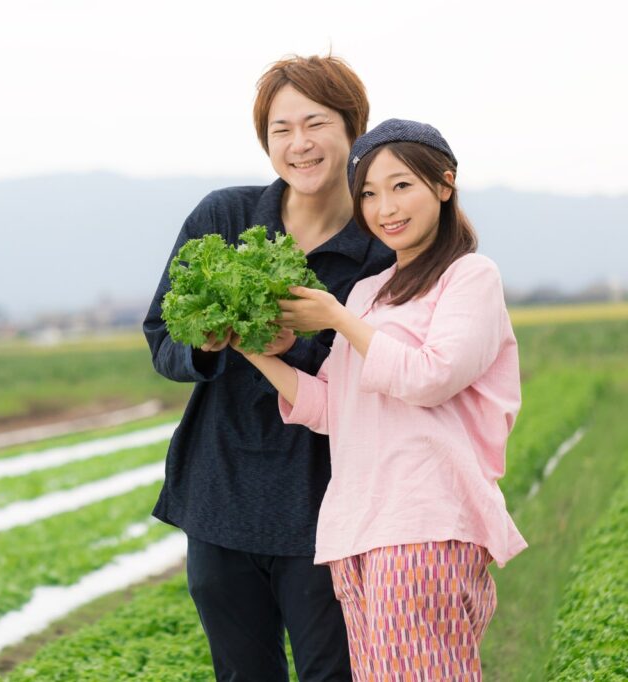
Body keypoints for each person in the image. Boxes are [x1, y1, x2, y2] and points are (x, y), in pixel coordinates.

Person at [235, 119, 528, 681]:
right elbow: (332, 410)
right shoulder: (369, 291)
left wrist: (337, 319)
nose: (383, 207)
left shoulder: (469, 277)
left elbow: (430, 377)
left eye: (401, 186)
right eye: (368, 193)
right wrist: (253, 350)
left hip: (424, 522)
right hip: (358, 528)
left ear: (444, 185)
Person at [143, 55, 394, 681]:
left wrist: (300, 343)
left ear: (353, 130)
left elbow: (382, 379)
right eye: (281, 130)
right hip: (220, 493)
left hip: (328, 505)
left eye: (315, 123)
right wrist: (208, 342)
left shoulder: (381, 247)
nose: (299, 144)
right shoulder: (224, 219)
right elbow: (162, 337)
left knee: (333, 674)